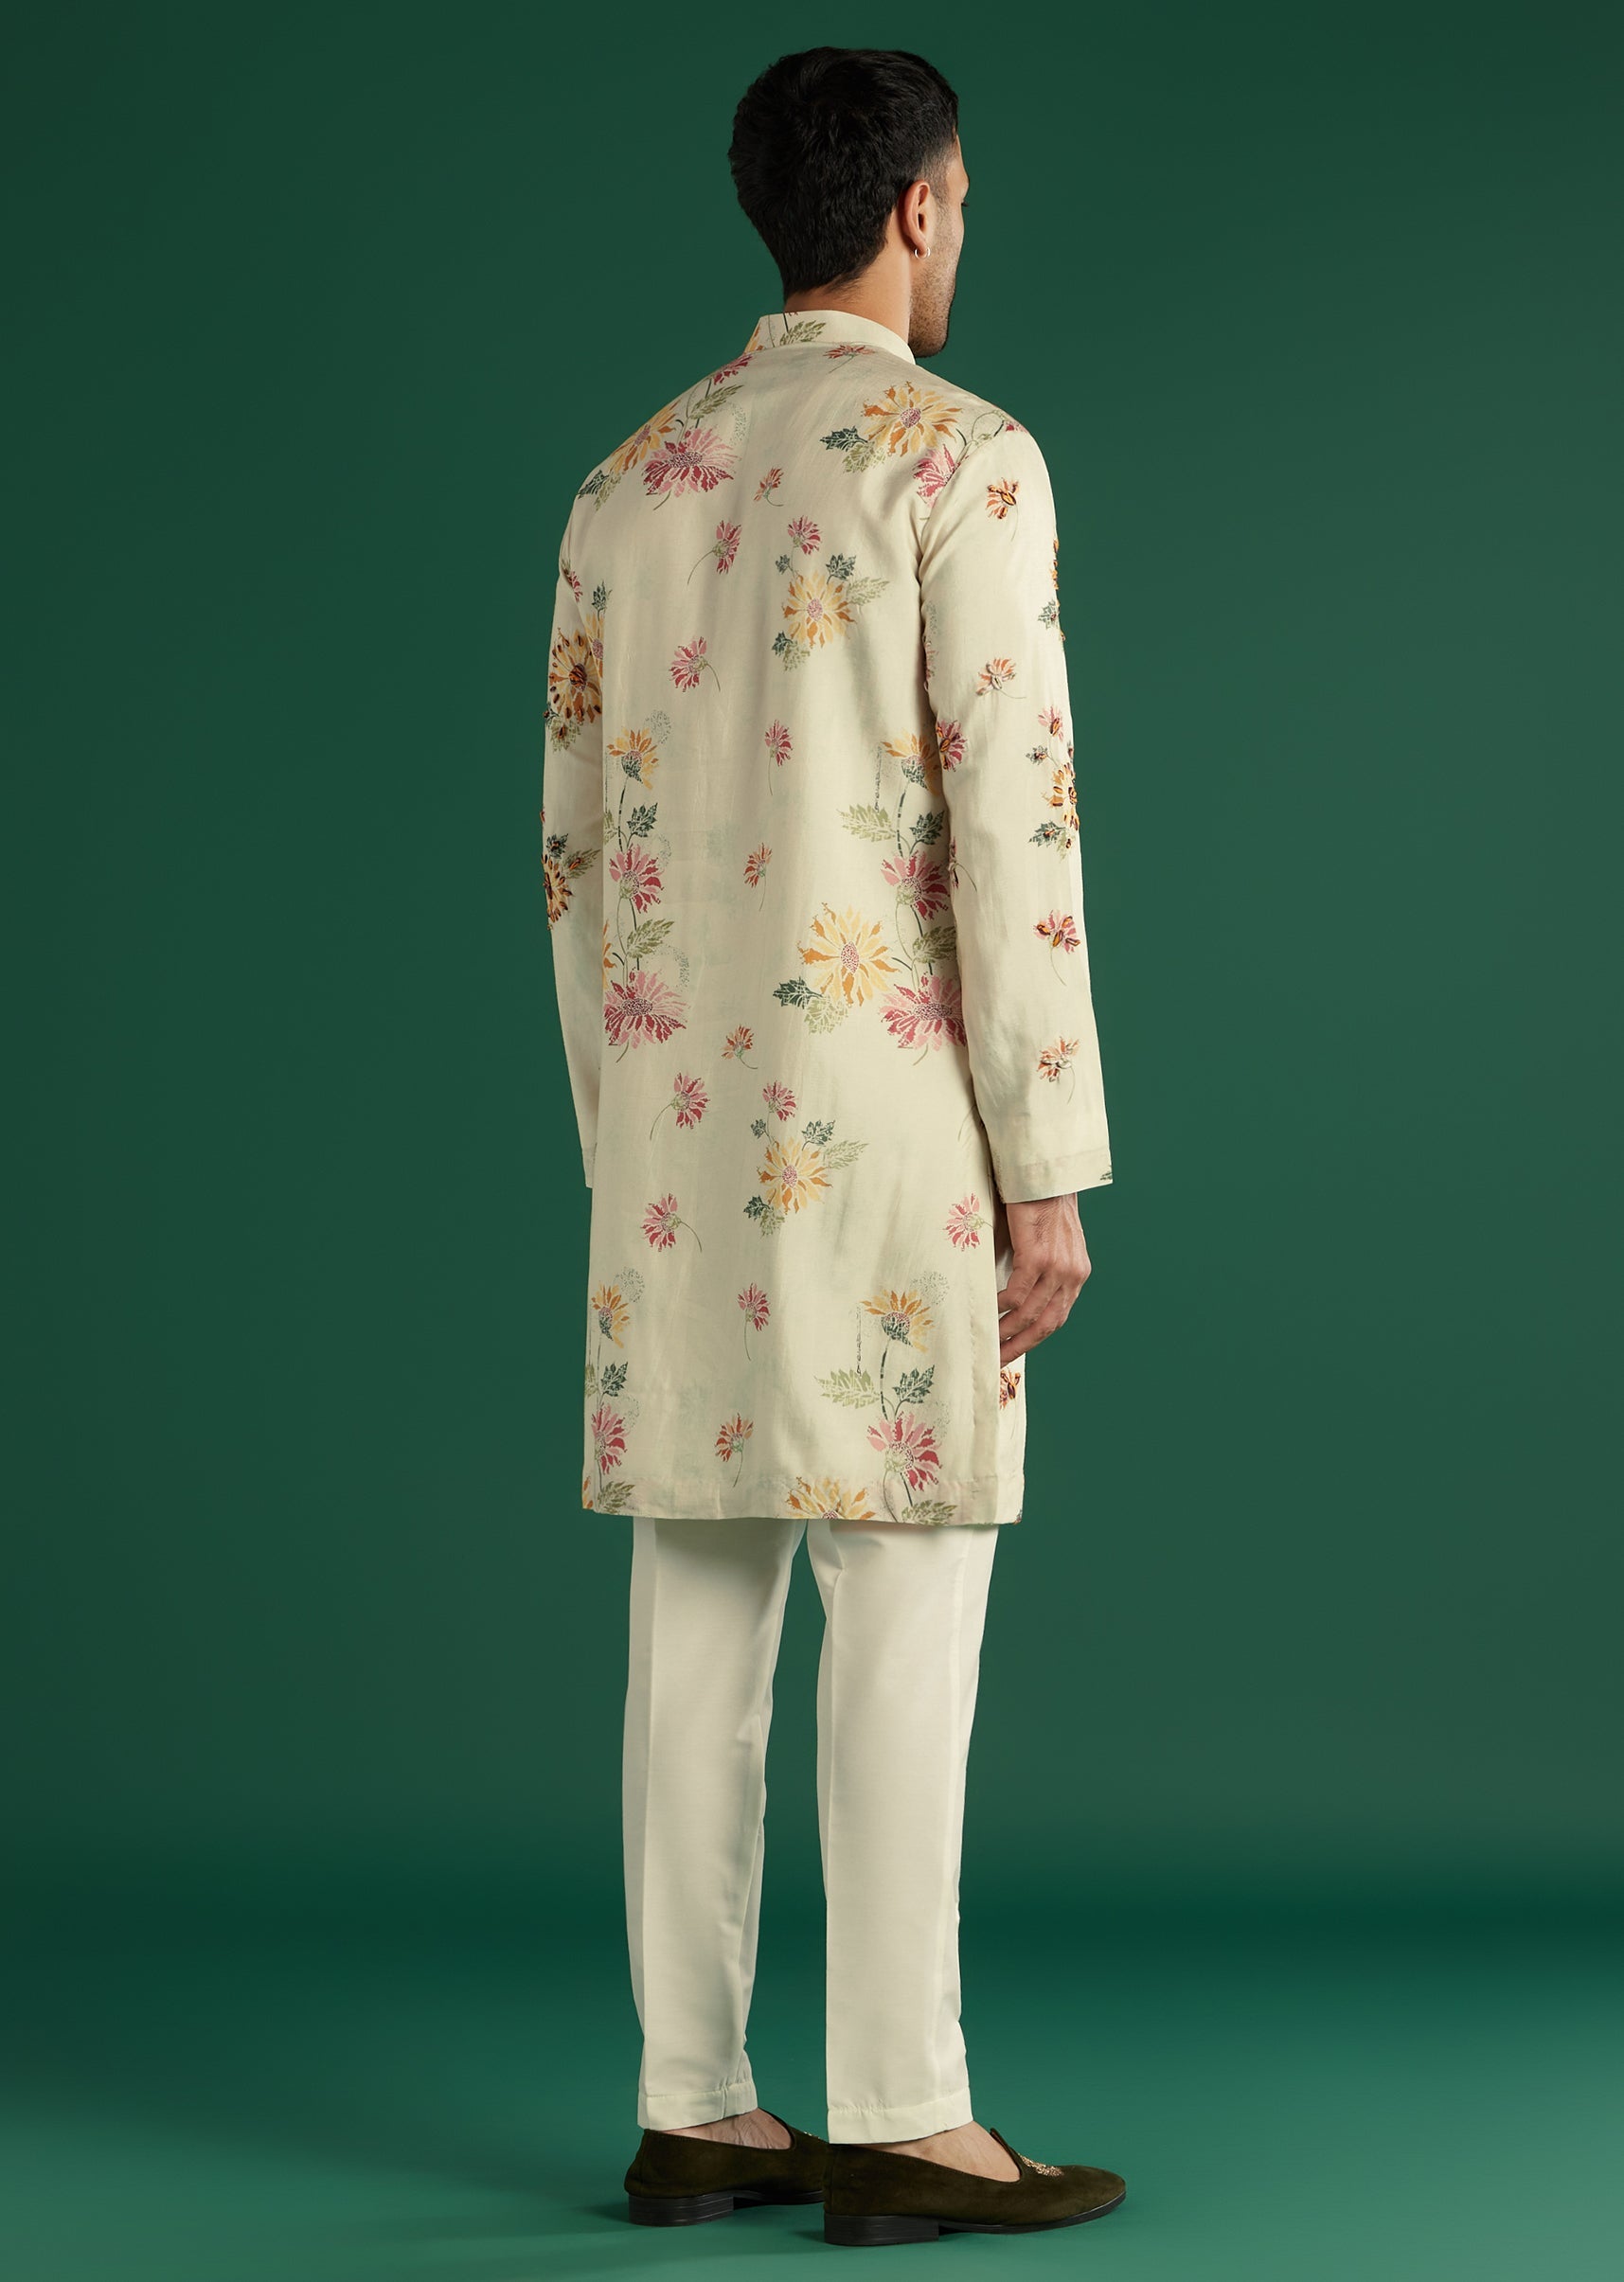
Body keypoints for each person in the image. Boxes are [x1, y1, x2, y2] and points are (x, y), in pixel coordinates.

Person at [542, 45, 1125, 2247]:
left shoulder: (626, 482)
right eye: (960, 201)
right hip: (890, 1136)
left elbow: (574, 861)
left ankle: (694, 2099)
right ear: (916, 209)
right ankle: (902, 2109)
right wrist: (1046, 1158)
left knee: (694, 1611)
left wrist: (623, 1140)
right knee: (905, 1591)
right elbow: (1014, 823)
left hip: (673, 1144)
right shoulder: (961, 459)